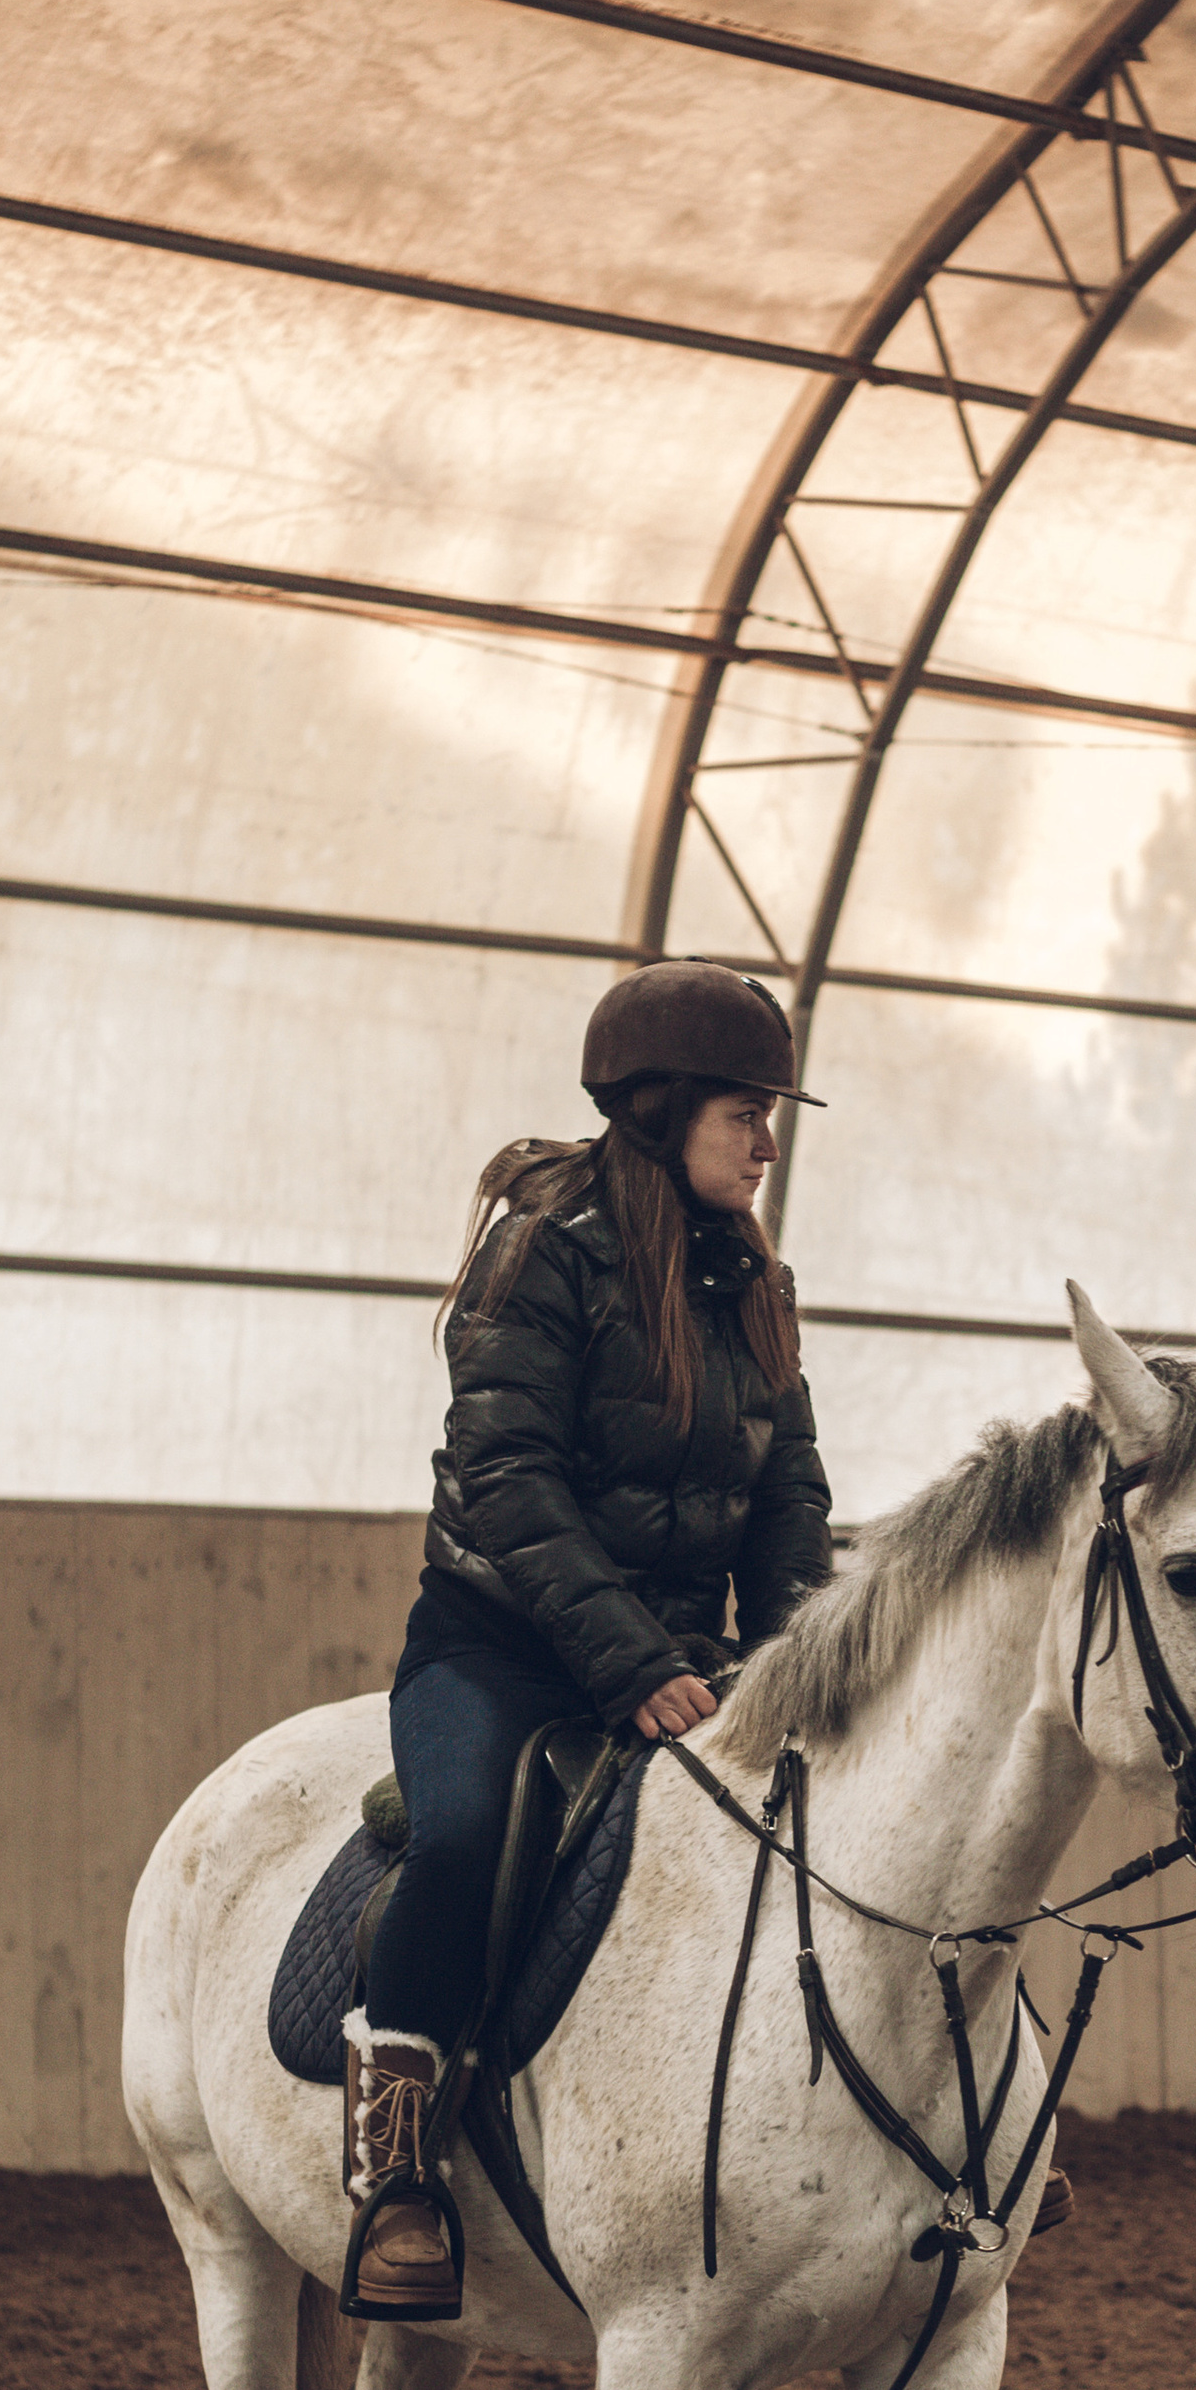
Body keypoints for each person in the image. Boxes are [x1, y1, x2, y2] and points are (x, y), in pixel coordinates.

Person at [342, 961, 833, 2317]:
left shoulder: (753, 1277)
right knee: (461, 1843)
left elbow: (790, 1491)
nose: (769, 1138)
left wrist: (795, 1666)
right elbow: (511, 1481)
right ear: (662, 1106)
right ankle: (396, 2168)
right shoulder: (541, 1254)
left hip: (686, 1660)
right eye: (748, 1110)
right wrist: (635, 1667)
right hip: (501, 1648)